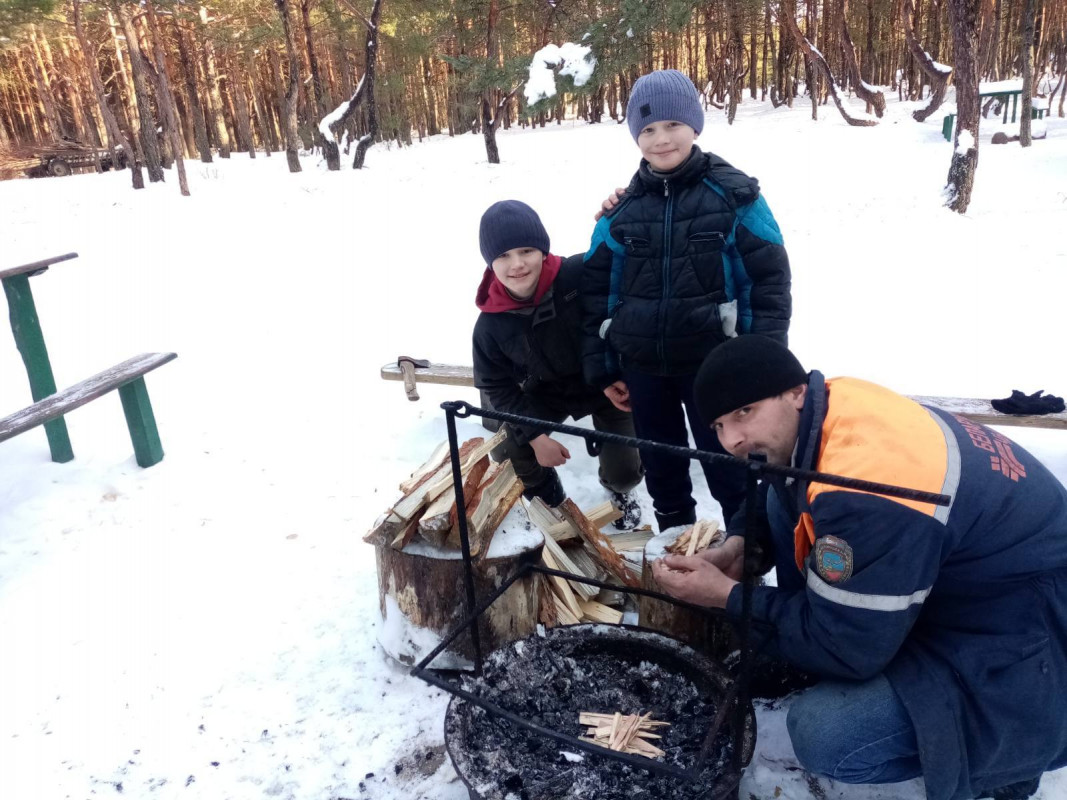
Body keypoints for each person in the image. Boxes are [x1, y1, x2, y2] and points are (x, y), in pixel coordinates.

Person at [652, 334, 1067, 800]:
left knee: (825, 734)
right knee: (779, 496)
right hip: (974, 578)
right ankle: (825, 632)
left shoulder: (868, 489)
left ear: (795, 394)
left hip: (1032, 636)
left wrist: (727, 597)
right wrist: (741, 545)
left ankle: (1007, 761)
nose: (732, 440)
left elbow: (850, 649)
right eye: (719, 425)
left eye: (744, 412)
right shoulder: (832, 408)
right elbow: (785, 490)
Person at [581, 68, 791, 533]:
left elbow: (768, 283)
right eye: (648, 129)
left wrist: (760, 365)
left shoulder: (735, 196)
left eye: (672, 125)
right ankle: (675, 546)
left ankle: (748, 551)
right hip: (644, 368)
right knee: (662, 466)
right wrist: (606, 366)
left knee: (730, 464)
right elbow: (596, 292)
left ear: (694, 125)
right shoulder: (622, 211)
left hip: (714, 367)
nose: (661, 140)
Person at [473, 200, 643, 525]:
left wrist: (623, 208)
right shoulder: (489, 325)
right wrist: (536, 436)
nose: (518, 264)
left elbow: (632, 263)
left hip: (607, 382)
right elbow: (495, 385)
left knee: (624, 472)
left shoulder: (580, 274)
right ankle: (552, 503)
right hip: (548, 392)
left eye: (526, 250)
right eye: (503, 256)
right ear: (489, 263)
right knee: (508, 450)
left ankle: (619, 490)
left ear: (543, 249)